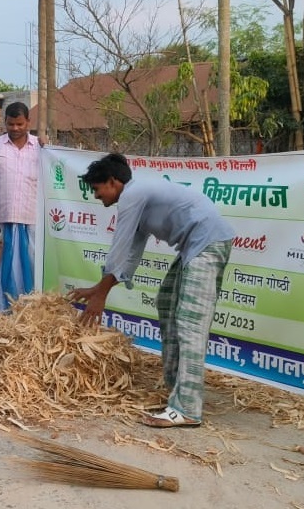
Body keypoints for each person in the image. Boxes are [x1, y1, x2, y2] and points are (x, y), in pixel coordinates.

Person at [67, 153, 233, 428]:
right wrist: (98, 289)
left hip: (207, 243)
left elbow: (119, 246)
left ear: (113, 182)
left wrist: (101, 295)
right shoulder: (139, 199)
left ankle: (187, 408)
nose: (96, 196)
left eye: (97, 189)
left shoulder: (132, 195)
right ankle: (176, 389)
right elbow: (131, 254)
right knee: (167, 302)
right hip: (195, 246)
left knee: (191, 322)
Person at [0, 102, 42, 312]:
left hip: (32, 218)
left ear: (28, 122)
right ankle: (7, 311)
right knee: (5, 267)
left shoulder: (41, 147)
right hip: (4, 218)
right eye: (11, 124)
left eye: (20, 124)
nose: (15, 128)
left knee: (33, 264)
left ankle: (32, 311)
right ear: (5, 122)